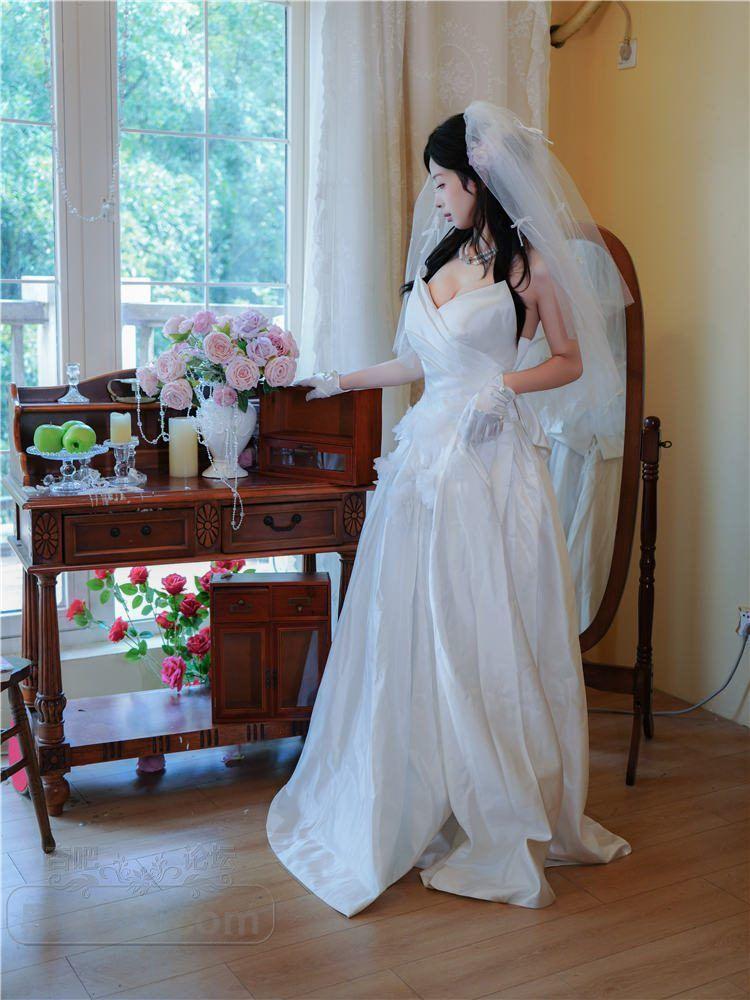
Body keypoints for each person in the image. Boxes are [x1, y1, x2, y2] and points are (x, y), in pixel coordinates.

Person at [265, 100, 633, 917]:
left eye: (441, 181)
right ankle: (412, 785)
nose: (434, 195)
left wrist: (504, 387)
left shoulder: (530, 268)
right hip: (423, 463)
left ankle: (494, 802)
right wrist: (338, 381)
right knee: (407, 625)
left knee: (478, 629)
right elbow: (415, 363)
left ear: (478, 179)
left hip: (489, 465)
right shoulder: (446, 254)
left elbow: (571, 361)